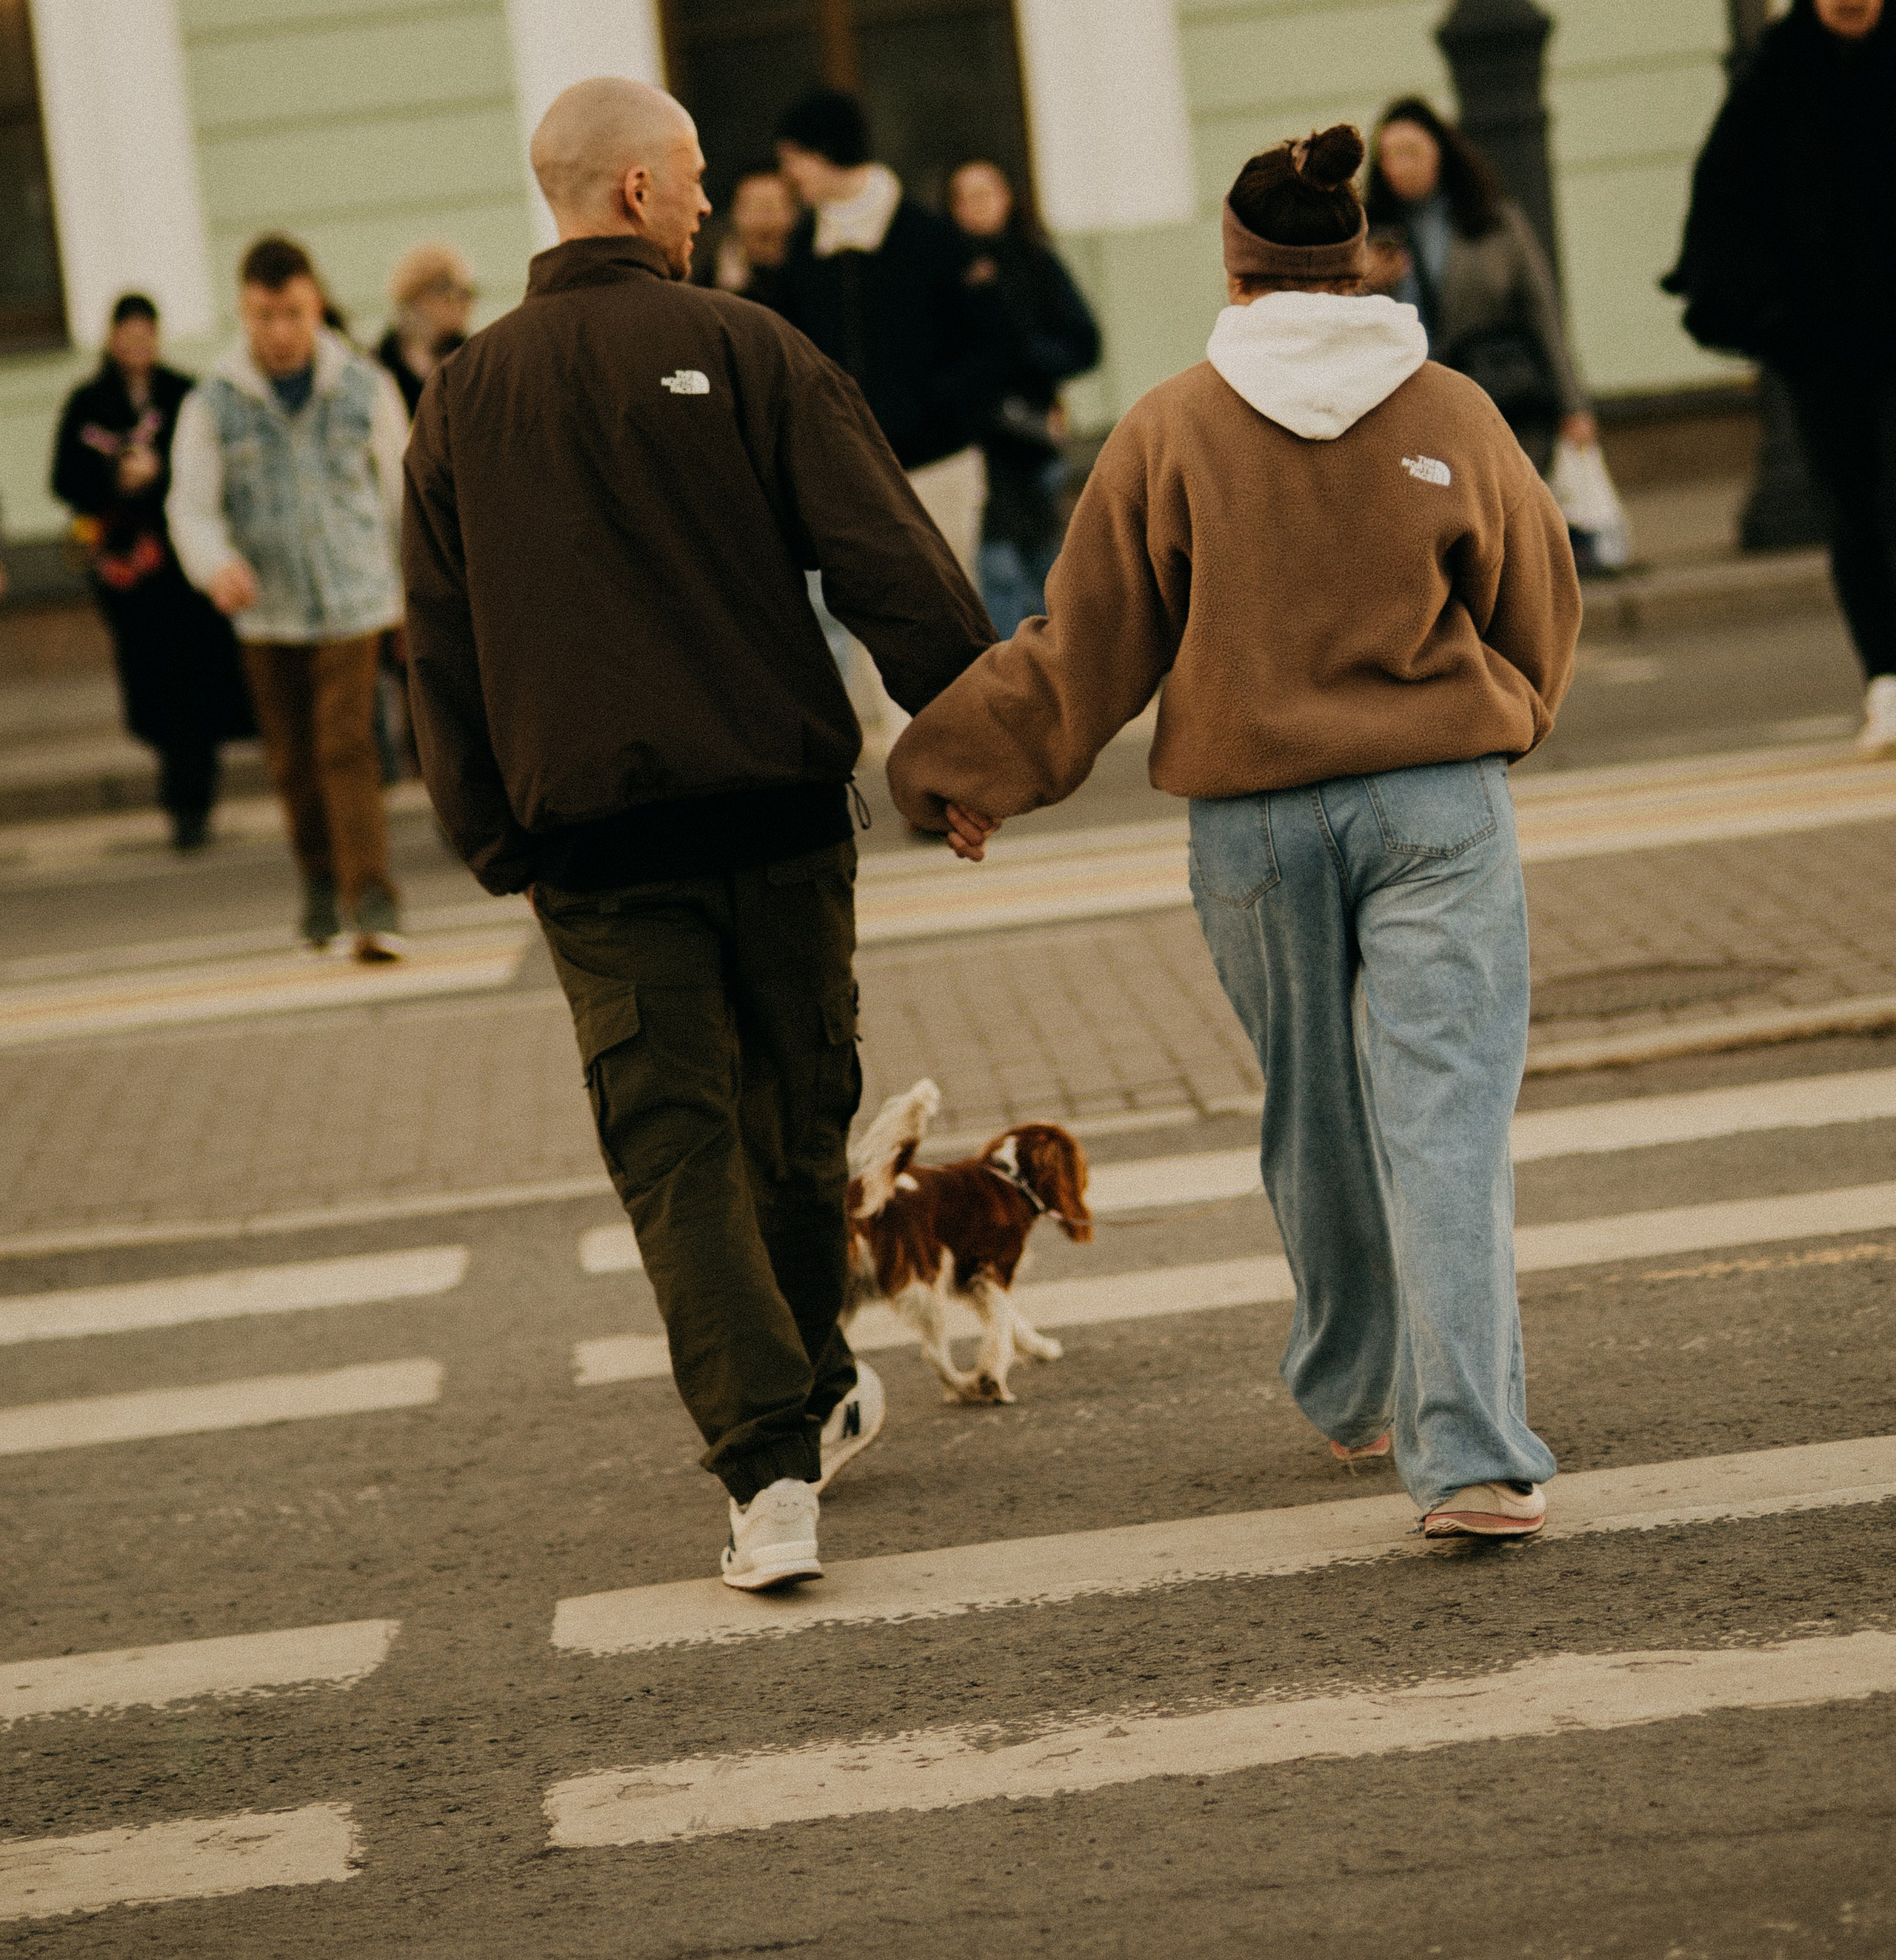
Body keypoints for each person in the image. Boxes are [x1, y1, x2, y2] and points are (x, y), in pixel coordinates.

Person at [888, 125, 1581, 1543]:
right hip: (1436, 802)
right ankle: (1475, 1461)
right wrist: (1510, 708)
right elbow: (1539, 594)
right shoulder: (1449, 409)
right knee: (1445, 1120)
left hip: (1253, 826)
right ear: (1360, 258)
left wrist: (954, 770)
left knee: (1315, 1112)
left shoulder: (1172, 427)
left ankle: (1354, 1395)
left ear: (1239, 267)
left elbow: (1088, 645)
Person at [401, 78, 993, 1593]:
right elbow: (887, 560)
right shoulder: (748, 350)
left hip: (593, 848)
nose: (709, 198)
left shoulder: (461, 398)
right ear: (633, 192)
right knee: (795, 1129)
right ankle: (790, 1429)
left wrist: (492, 836)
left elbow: (441, 646)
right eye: (693, 175)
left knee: (677, 1153)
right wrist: (970, 750)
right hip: (780, 819)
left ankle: (771, 1459)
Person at [1663, 0, 1896, 755]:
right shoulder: (1773, 80)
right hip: (1821, 345)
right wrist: (1759, 310)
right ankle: (1885, 681)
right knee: (1854, 513)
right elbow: (1723, 197)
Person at [168, 235, 410, 959]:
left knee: (346, 744)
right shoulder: (214, 403)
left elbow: (402, 496)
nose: (279, 332)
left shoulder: (364, 386)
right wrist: (215, 566)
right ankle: (316, 882)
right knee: (291, 759)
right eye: (263, 315)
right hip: (265, 611)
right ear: (244, 313)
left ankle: (371, 898)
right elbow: (192, 508)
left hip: (355, 600)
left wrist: (414, 593)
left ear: (316, 305)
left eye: (293, 313)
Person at [773, 91, 1007, 578]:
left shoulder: (929, 237)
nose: (789, 176)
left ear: (824, 152)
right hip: (850, 474)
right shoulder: (801, 250)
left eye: (793, 159)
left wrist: (932, 407)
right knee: (869, 629)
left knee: (950, 616)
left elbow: (994, 344)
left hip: (938, 465)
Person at [50, 293, 253, 851]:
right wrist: (117, 477)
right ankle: (177, 783)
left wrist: (159, 476)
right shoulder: (88, 401)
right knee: (152, 685)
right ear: (113, 339)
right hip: (128, 577)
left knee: (195, 681)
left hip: (182, 574)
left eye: (149, 336)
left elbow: (206, 472)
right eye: (129, 336)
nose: (140, 347)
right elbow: (65, 478)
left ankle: (193, 799)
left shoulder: (181, 393)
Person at [1364, 97, 1595, 475]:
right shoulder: (1370, 235)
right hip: (1414, 413)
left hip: (1501, 399)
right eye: (1388, 155)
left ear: (1440, 152)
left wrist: (1573, 406)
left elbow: (1541, 312)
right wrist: (1369, 279)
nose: (1399, 167)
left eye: (1411, 152)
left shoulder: (1491, 218)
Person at [947, 158, 1102, 637]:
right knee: (997, 571)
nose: (979, 207)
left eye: (988, 193)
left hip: (1034, 437)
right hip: (980, 443)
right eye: (967, 196)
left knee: (1046, 571)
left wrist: (1025, 357)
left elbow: (1084, 342)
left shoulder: (1036, 260)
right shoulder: (947, 271)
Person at [376, 244, 478, 421]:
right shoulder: (379, 365)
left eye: (469, 293)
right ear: (418, 298)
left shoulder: (474, 362)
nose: (466, 303)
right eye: (455, 292)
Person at [697, 166, 799, 304]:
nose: (764, 219)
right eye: (753, 207)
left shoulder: (815, 274)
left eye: (773, 207)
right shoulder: (711, 278)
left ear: (794, 213)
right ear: (734, 212)